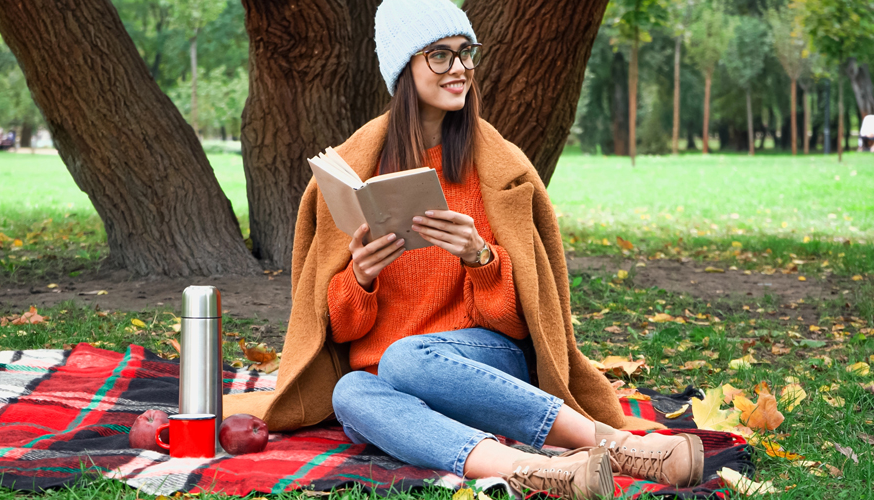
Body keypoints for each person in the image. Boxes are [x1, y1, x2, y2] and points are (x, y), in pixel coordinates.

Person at [223, 1, 704, 498]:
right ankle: (542, 470)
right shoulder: (359, 169)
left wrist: (480, 258)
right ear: (404, 68)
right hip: (387, 386)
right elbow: (340, 332)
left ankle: (618, 445)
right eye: (439, 56)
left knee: (407, 358)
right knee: (350, 391)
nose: (459, 69)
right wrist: (360, 279)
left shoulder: (496, 167)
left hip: (482, 365)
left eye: (465, 53)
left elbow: (522, 327)